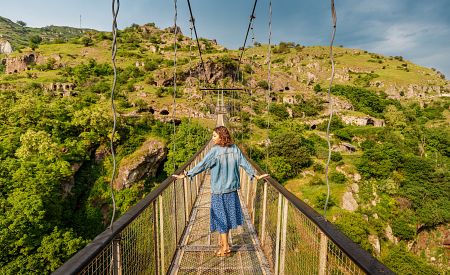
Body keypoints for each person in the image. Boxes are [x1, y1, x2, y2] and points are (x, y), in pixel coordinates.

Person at [173, 126, 268, 256]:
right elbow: (245, 163)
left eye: (214, 136)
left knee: (221, 218)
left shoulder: (215, 151)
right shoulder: (235, 149)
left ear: (221, 137)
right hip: (232, 190)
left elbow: (202, 165)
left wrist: (187, 174)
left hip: (218, 191)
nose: (212, 138)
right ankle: (224, 243)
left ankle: (226, 248)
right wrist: (255, 175)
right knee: (227, 217)